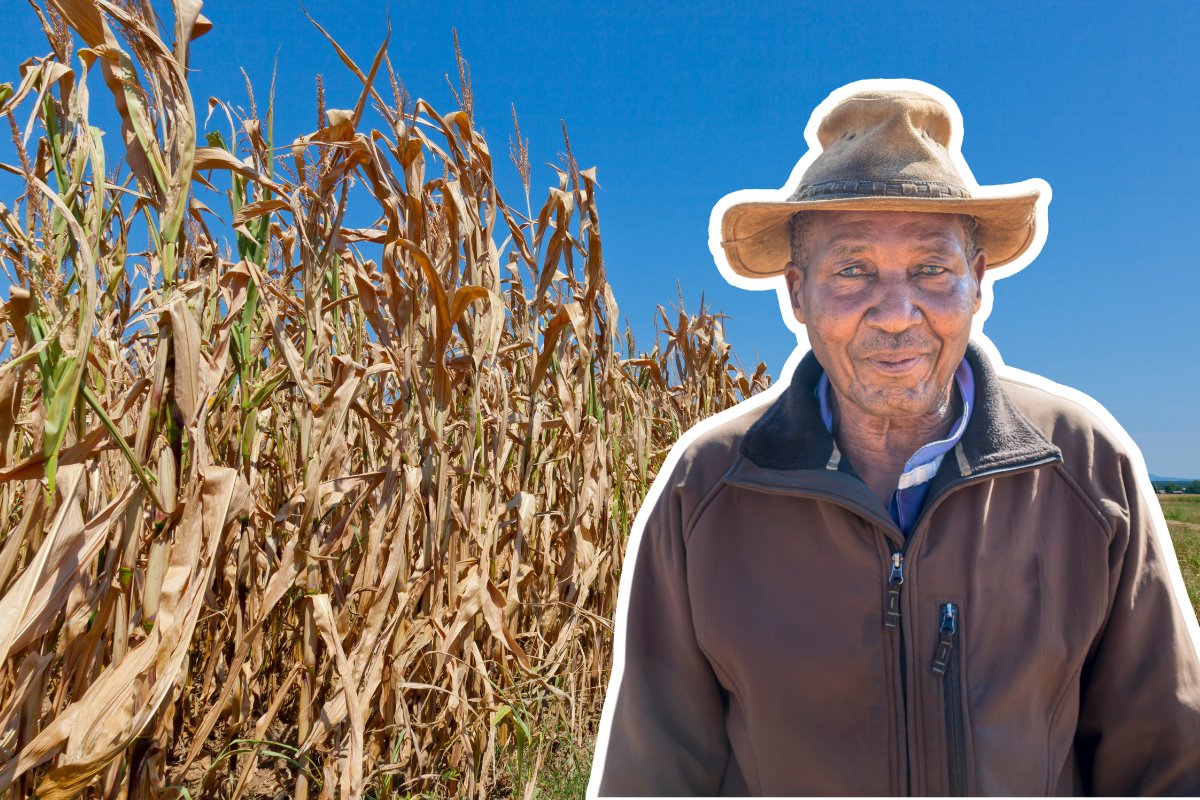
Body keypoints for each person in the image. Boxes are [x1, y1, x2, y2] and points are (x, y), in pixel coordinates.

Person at [589, 83, 1200, 796]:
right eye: (852, 270)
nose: (895, 313)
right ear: (797, 293)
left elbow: (1167, 762)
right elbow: (655, 772)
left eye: (930, 269)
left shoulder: (1087, 468)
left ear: (977, 282)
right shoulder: (712, 486)